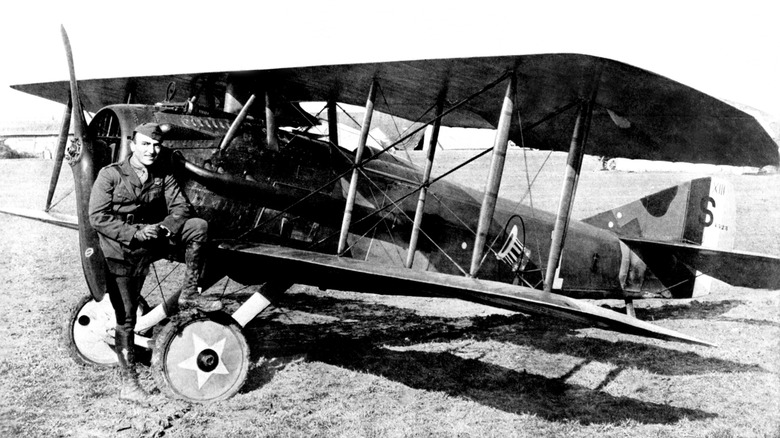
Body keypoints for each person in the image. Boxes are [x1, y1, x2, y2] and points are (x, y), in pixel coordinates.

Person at [89, 122, 222, 405]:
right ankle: (129, 382)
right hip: (122, 248)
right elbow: (97, 217)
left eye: (156, 145)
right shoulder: (110, 175)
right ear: (133, 145)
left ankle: (187, 295)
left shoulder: (164, 174)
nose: (152, 150)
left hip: (155, 238)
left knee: (197, 226)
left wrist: (163, 228)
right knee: (126, 317)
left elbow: (181, 209)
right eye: (146, 144)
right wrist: (134, 233)